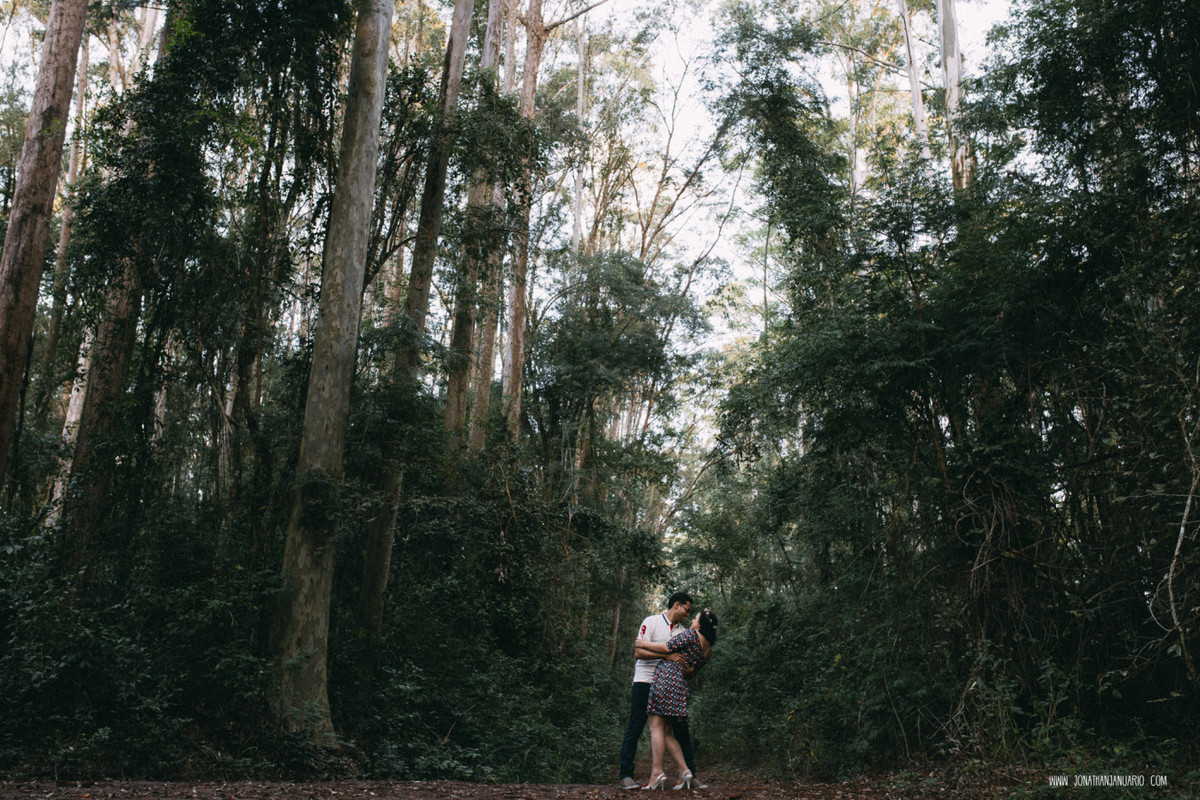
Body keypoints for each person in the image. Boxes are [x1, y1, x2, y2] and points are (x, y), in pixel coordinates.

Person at [617, 592, 699, 790]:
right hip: (645, 680)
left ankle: (688, 774)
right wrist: (669, 654)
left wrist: (686, 667)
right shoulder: (651, 621)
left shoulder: (683, 632)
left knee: (677, 730)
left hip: (668, 684)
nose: (687, 615)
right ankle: (626, 774)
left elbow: (685, 662)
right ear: (676, 605)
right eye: (687, 610)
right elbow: (639, 652)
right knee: (636, 726)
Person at [636, 609, 718, 791]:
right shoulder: (708, 650)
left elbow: (666, 648)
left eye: (695, 618)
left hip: (666, 680)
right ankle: (685, 771)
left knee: (655, 726)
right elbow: (691, 671)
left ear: (700, 624)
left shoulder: (691, 635)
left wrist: (643, 643)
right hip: (680, 687)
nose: (692, 621)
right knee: (666, 731)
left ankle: (656, 773)